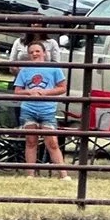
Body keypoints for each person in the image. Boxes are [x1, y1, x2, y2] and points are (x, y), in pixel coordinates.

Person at [13, 35, 67, 174]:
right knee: (31, 141)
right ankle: (30, 174)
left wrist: (46, 92)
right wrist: (29, 92)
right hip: (28, 109)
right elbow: (17, 91)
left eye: (37, 51)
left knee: (52, 143)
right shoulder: (25, 70)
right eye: (31, 52)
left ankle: (63, 174)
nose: (35, 54)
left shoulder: (54, 69)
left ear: (44, 53)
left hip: (48, 110)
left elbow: (62, 88)